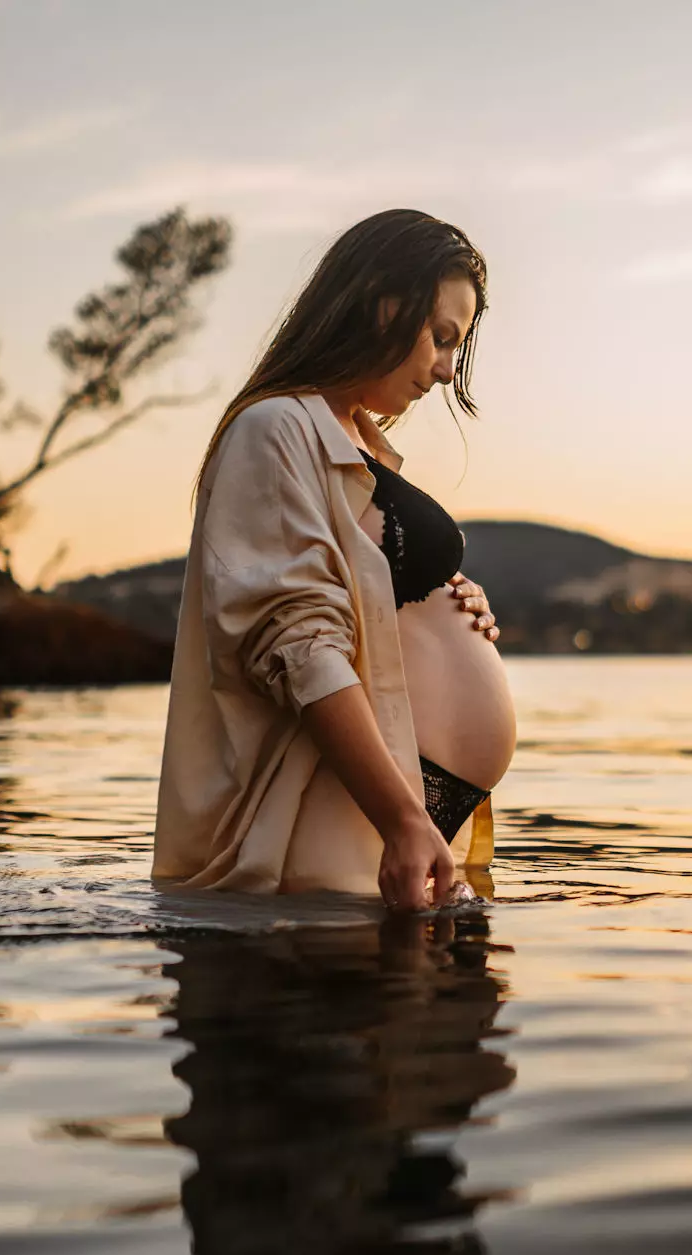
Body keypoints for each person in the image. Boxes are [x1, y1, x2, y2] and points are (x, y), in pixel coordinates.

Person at [153, 210, 515, 911]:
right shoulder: (275, 427)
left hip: (407, 806)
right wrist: (402, 818)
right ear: (383, 301)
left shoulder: (356, 440)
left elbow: (361, 595)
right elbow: (297, 640)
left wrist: (450, 598)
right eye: (441, 339)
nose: (445, 371)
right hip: (357, 811)